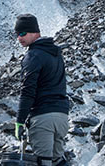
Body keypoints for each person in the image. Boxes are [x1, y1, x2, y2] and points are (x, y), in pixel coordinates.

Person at [14, 14, 71, 166]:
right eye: (17, 34)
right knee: (57, 161)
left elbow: (27, 91)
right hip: (62, 117)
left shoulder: (33, 56)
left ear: (34, 32)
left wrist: (20, 121)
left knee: (43, 162)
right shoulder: (56, 54)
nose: (19, 38)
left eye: (22, 33)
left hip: (43, 117)